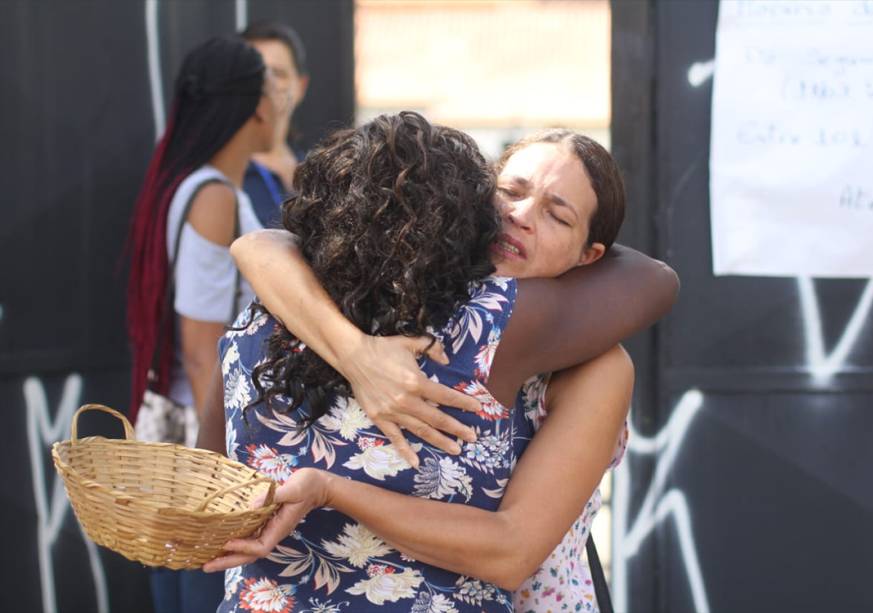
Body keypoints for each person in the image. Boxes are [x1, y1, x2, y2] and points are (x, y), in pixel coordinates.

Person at [201, 114, 677, 612]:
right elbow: (260, 245)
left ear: (591, 256)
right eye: (509, 191)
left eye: (559, 216)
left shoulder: (579, 357)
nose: (522, 215)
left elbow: (259, 244)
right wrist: (356, 353)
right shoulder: (387, 310)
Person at [125, 36, 281, 613]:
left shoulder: (191, 183)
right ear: (258, 105)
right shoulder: (212, 195)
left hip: (185, 438)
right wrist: (219, 469)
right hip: (203, 446)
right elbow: (200, 346)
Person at [240, 21, 309, 227]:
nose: (267, 84)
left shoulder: (316, 170)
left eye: (278, 73)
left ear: (301, 86)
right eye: (258, 72)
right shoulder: (225, 177)